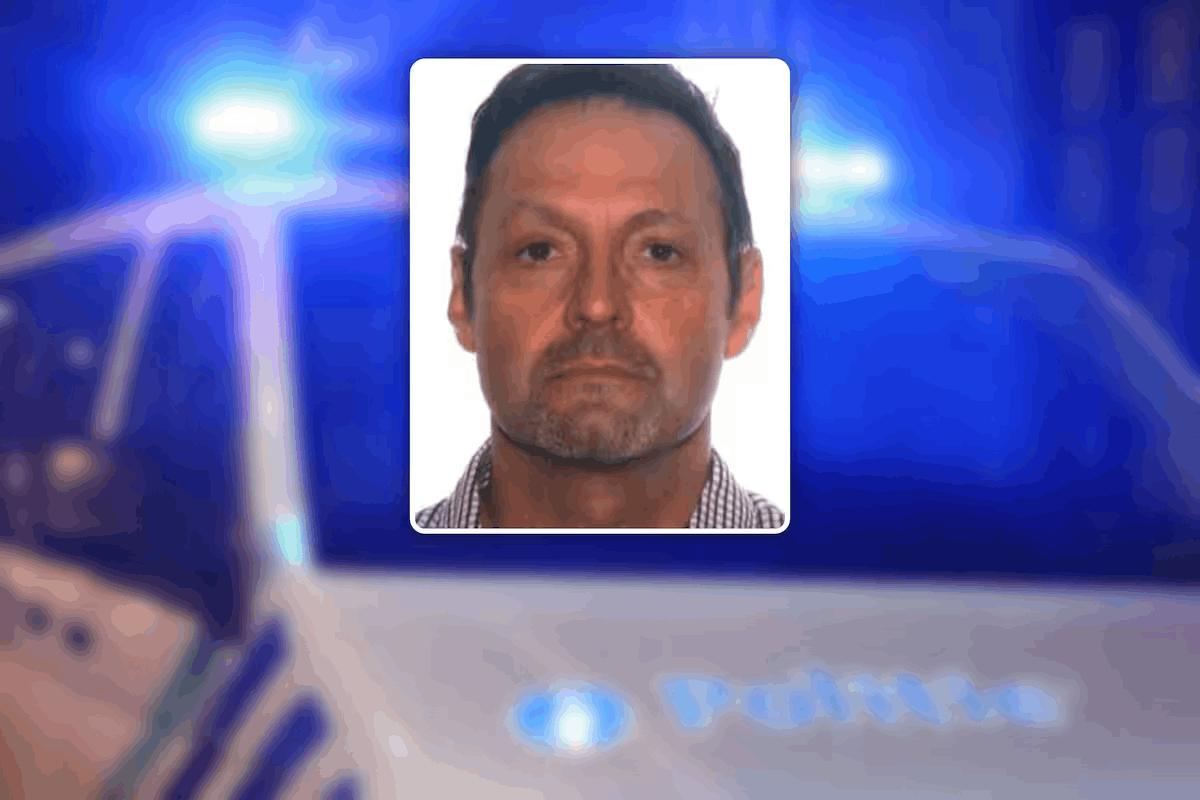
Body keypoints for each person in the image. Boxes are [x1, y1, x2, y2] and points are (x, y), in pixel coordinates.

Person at [416, 63, 784, 529]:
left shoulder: (842, 571)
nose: (597, 305)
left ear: (744, 299)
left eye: (659, 252)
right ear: (463, 295)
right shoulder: (350, 571)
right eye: (540, 251)